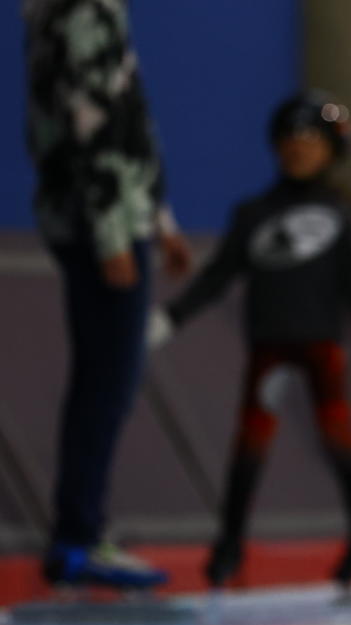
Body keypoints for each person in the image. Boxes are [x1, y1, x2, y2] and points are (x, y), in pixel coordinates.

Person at [148, 91, 351, 595]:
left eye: (311, 140)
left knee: (342, 443)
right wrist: (171, 318)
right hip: (269, 345)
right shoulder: (253, 214)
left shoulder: (343, 218)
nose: (299, 149)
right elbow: (218, 277)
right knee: (249, 445)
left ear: (333, 150)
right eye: (291, 139)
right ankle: (228, 547)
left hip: (321, 346)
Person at [26, 0, 196, 590]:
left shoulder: (81, 15)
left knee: (103, 382)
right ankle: (79, 534)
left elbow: (127, 124)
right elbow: (88, 127)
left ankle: (80, 532)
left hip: (113, 220)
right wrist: (113, 234)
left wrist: (161, 220)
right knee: (108, 383)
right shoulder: (83, 16)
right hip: (104, 227)